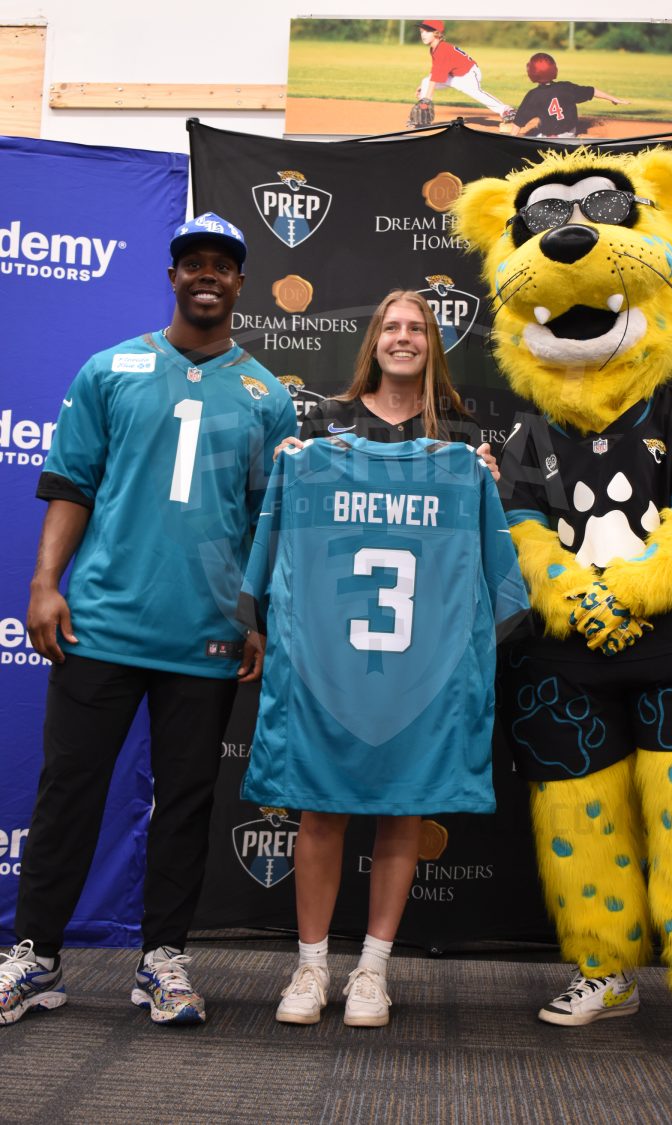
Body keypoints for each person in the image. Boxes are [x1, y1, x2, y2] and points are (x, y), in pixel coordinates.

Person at [0, 213, 296, 1027]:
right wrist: (43, 583)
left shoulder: (268, 397)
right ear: (172, 276)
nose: (207, 276)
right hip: (100, 622)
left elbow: (268, 525)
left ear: (241, 283)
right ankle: (36, 956)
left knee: (188, 801)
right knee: (68, 794)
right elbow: (70, 484)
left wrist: (256, 614)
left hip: (205, 633)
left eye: (222, 266)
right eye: (192, 263)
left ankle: (162, 959)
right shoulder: (111, 368)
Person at [245, 290, 527, 1028]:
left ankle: (372, 970)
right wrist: (287, 470)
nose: (404, 338)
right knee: (319, 805)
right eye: (392, 327)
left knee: (404, 806)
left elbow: (496, 574)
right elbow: (271, 553)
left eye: (417, 329)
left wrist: (482, 482)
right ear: (373, 341)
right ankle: (311, 968)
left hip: (418, 666)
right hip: (330, 664)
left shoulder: (461, 443)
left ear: (433, 345)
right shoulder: (321, 431)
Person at [415, 19, 515, 126]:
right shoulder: (435, 48)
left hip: (468, 73)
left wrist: (427, 99)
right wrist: (423, 87)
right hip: (454, 75)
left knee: (476, 93)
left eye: (427, 31)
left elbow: (436, 77)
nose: (423, 35)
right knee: (426, 82)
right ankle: (423, 117)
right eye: (421, 32)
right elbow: (436, 70)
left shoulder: (443, 49)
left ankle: (506, 110)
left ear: (437, 33)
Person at [511, 52, 629, 140]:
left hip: (545, 137)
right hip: (568, 136)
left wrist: (510, 140)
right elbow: (592, 91)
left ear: (531, 73)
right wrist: (613, 98)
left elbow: (518, 124)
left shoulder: (533, 95)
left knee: (532, 132)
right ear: (554, 70)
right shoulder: (566, 87)